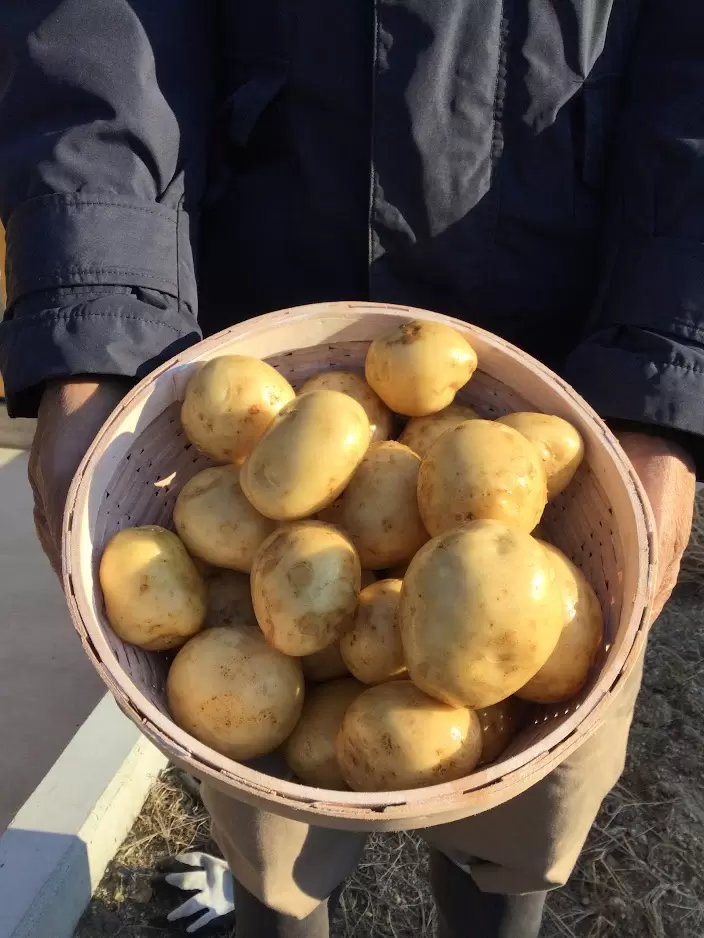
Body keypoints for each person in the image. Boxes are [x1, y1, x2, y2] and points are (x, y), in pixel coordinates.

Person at [0, 2, 698, 936]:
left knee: (523, 806)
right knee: (272, 820)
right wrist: (96, 307)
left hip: (568, 359)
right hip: (260, 308)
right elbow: (101, 30)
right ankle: (271, 904)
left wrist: (667, 374)